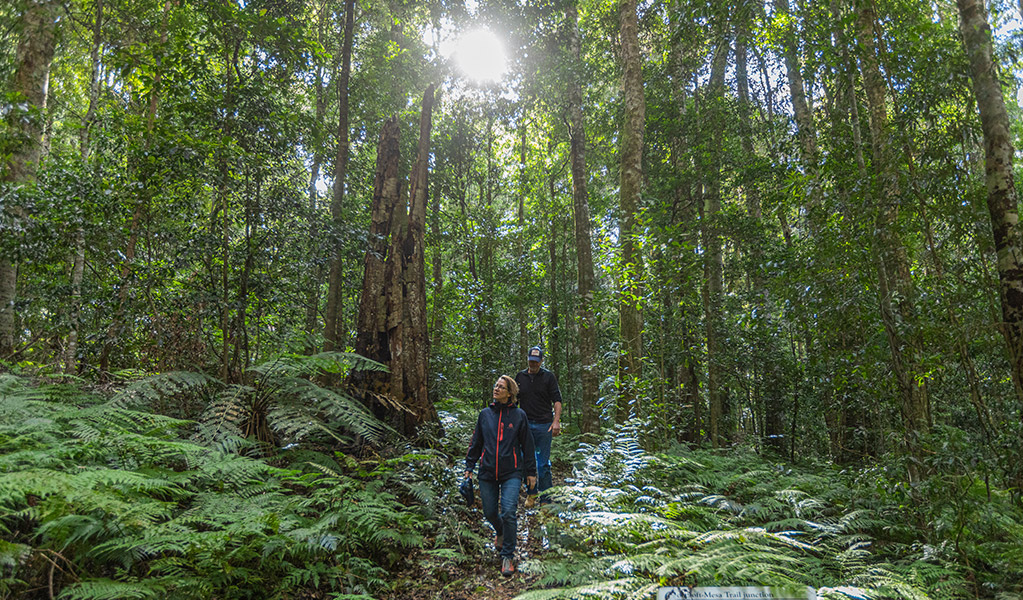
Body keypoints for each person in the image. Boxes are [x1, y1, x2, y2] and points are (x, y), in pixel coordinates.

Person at [465, 374, 537, 576]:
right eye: (495, 385)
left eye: (501, 387)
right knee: (489, 512)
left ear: (510, 393)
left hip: (511, 472)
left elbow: (527, 445)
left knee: (508, 512)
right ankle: (501, 531)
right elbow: (476, 442)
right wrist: (469, 466)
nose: (496, 389)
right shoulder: (485, 414)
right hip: (487, 472)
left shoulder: (519, 415)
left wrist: (531, 472)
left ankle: (507, 555)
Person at [515, 346, 562, 504]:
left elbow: (557, 400)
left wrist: (556, 421)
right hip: (525, 425)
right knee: (523, 460)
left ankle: (546, 498)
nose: (533, 364)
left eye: (536, 361)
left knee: (542, 464)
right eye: (531, 361)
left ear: (541, 361)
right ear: (527, 360)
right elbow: (515, 399)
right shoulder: (520, 377)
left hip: (544, 425)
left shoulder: (548, 377)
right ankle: (532, 493)